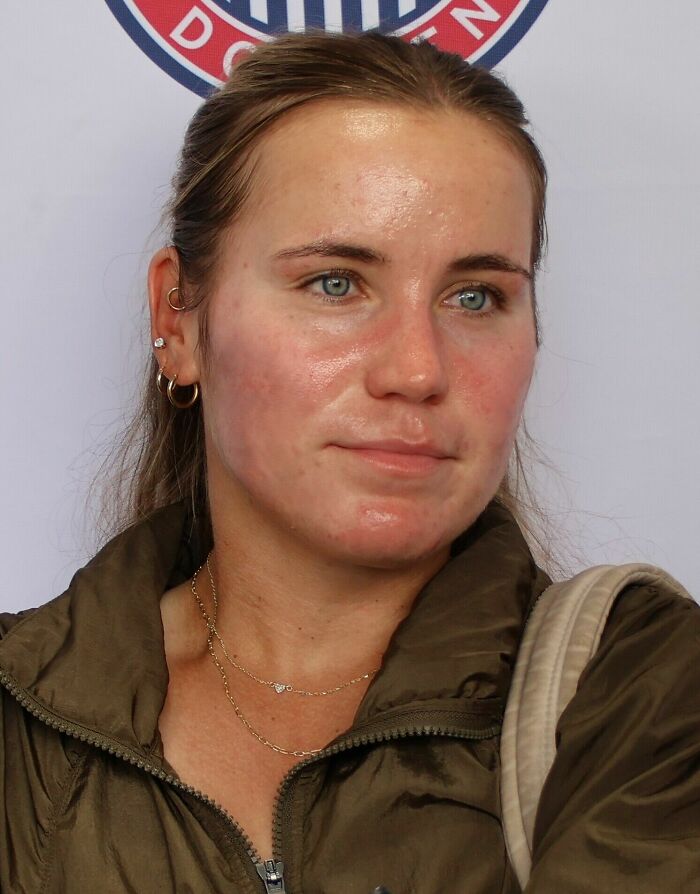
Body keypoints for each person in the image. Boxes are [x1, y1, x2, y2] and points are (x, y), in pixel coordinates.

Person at [1, 29, 698, 894]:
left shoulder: (648, 689)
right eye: (335, 282)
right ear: (179, 319)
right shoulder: (17, 717)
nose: (417, 370)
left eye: (475, 296)